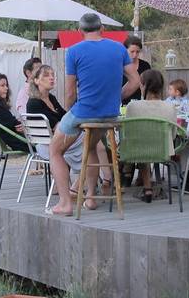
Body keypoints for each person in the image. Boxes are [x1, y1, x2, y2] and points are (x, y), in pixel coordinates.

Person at [47, 13, 140, 216]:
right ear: (102, 29)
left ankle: (65, 203)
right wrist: (116, 98)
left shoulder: (74, 51)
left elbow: (70, 92)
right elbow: (135, 81)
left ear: (80, 31)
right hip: (110, 115)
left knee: (54, 151)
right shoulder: (118, 48)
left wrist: (69, 111)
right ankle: (90, 198)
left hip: (84, 112)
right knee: (90, 148)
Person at [26, 65, 111, 194]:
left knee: (94, 142)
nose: (51, 78)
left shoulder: (51, 98)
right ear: (36, 80)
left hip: (61, 138)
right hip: (49, 144)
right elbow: (57, 124)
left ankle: (101, 181)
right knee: (93, 143)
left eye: (52, 75)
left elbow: (66, 117)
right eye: (46, 75)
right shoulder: (33, 103)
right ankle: (99, 182)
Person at [125, 69, 177, 203]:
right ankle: (150, 188)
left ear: (142, 85)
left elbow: (128, 133)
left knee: (143, 146)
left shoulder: (133, 106)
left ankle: (147, 189)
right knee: (147, 145)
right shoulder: (170, 107)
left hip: (138, 150)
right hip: (164, 150)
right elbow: (173, 134)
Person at [121, 35, 151, 105]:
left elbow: (149, 85)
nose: (135, 55)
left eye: (137, 52)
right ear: (125, 50)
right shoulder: (119, 65)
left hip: (141, 104)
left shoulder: (145, 65)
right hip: (122, 104)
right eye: (132, 51)